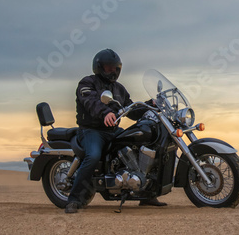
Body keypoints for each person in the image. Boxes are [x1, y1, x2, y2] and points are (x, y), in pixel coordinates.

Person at [65, 49, 166, 213]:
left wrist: (151, 104)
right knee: (93, 156)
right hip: (91, 131)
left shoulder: (119, 89)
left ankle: (146, 195)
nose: (112, 71)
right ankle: (74, 199)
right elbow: (90, 102)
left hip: (113, 130)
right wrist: (105, 112)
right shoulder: (87, 83)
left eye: (115, 68)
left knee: (138, 146)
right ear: (98, 67)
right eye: (108, 68)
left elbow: (131, 110)